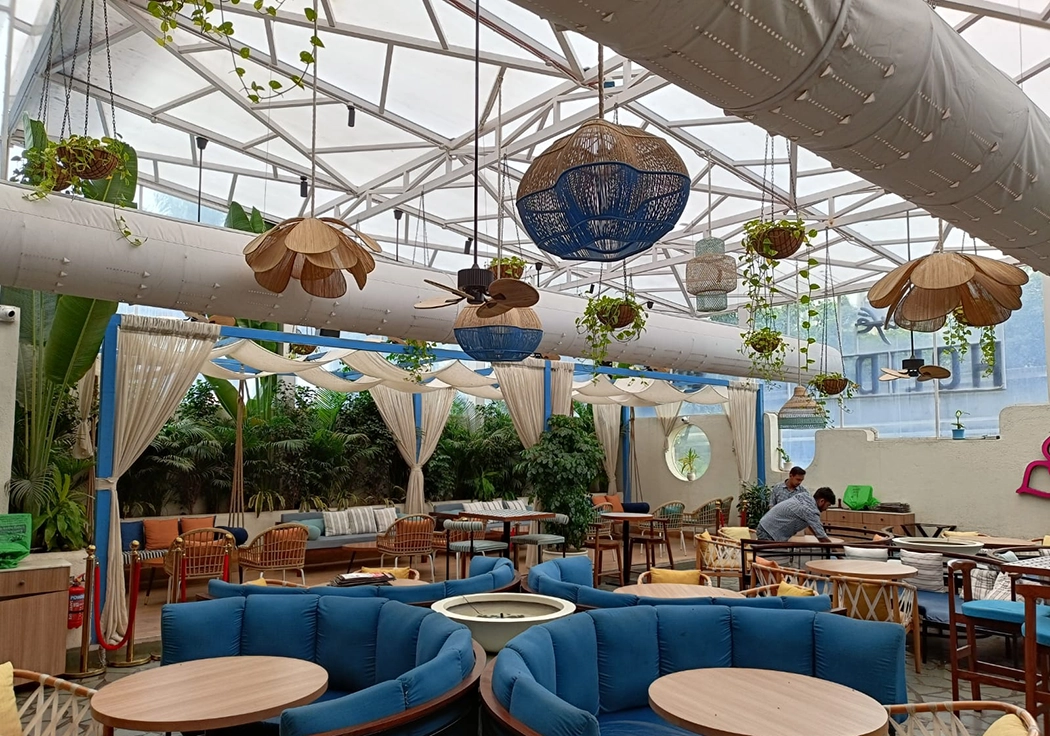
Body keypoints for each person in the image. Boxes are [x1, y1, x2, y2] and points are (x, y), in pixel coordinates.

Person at [756, 487, 836, 543]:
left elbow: (815, 529)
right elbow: (822, 537)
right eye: (828, 505)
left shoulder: (804, 497)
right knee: (774, 559)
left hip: (765, 526)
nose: (826, 509)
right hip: (769, 532)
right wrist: (838, 556)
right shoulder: (810, 510)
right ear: (822, 501)